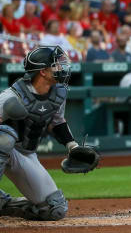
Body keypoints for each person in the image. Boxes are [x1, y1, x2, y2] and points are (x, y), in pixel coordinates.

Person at [0, 46, 88, 220]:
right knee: (5, 138)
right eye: (56, 65)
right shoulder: (12, 96)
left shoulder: (58, 93)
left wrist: (72, 145)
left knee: (54, 209)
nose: (61, 68)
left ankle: (3, 204)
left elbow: (57, 122)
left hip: (25, 154)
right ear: (42, 71)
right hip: (5, 148)